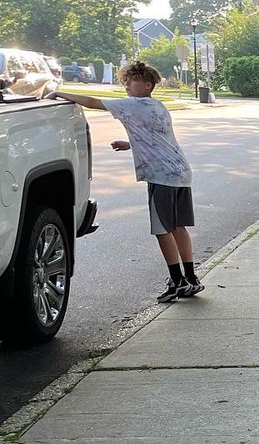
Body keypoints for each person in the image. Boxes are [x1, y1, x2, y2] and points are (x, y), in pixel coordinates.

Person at [54, 60, 203, 302]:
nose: (126, 87)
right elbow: (158, 139)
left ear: (147, 85)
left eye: (130, 82)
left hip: (160, 176)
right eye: (125, 83)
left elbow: (93, 102)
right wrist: (130, 144)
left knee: (162, 229)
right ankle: (191, 278)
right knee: (178, 226)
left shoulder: (133, 104)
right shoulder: (159, 106)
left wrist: (60, 92)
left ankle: (177, 282)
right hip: (180, 172)